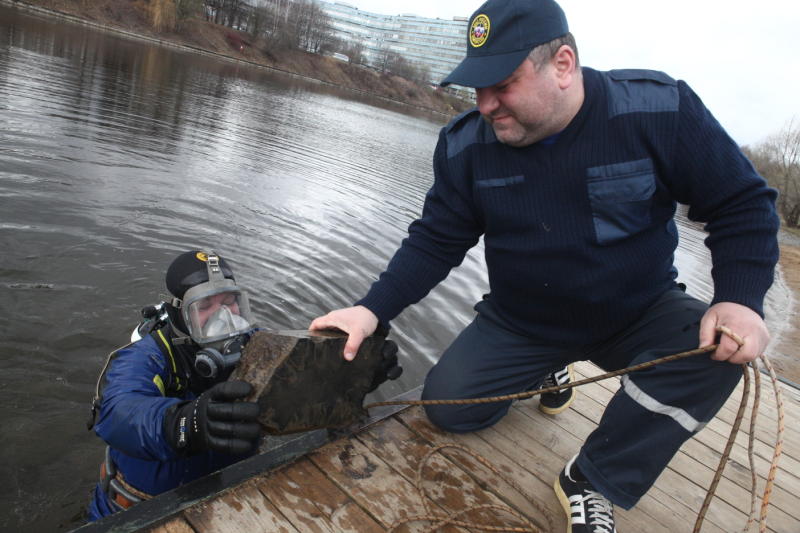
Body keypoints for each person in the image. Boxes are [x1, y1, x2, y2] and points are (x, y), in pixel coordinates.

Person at [310, 0, 779, 531]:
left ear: (562, 64)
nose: (485, 104)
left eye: (502, 84)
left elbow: (742, 203)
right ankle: (544, 368)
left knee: (716, 355)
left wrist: (740, 299)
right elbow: (436, 240)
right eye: (476, 87)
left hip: (637, 309)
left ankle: (592, 478)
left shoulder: (658, 112)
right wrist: (370, 310)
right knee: (448, 407)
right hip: (524, 320)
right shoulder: (465, 147)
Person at [86, 250, 262, 520]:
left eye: (230, 302)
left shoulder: (256, 343)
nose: (224, 316)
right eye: (205, 307)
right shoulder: (149, 355)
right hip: (136, 513)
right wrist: (184, 423)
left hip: (232, 501)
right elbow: (118, 411)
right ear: (179, 314)